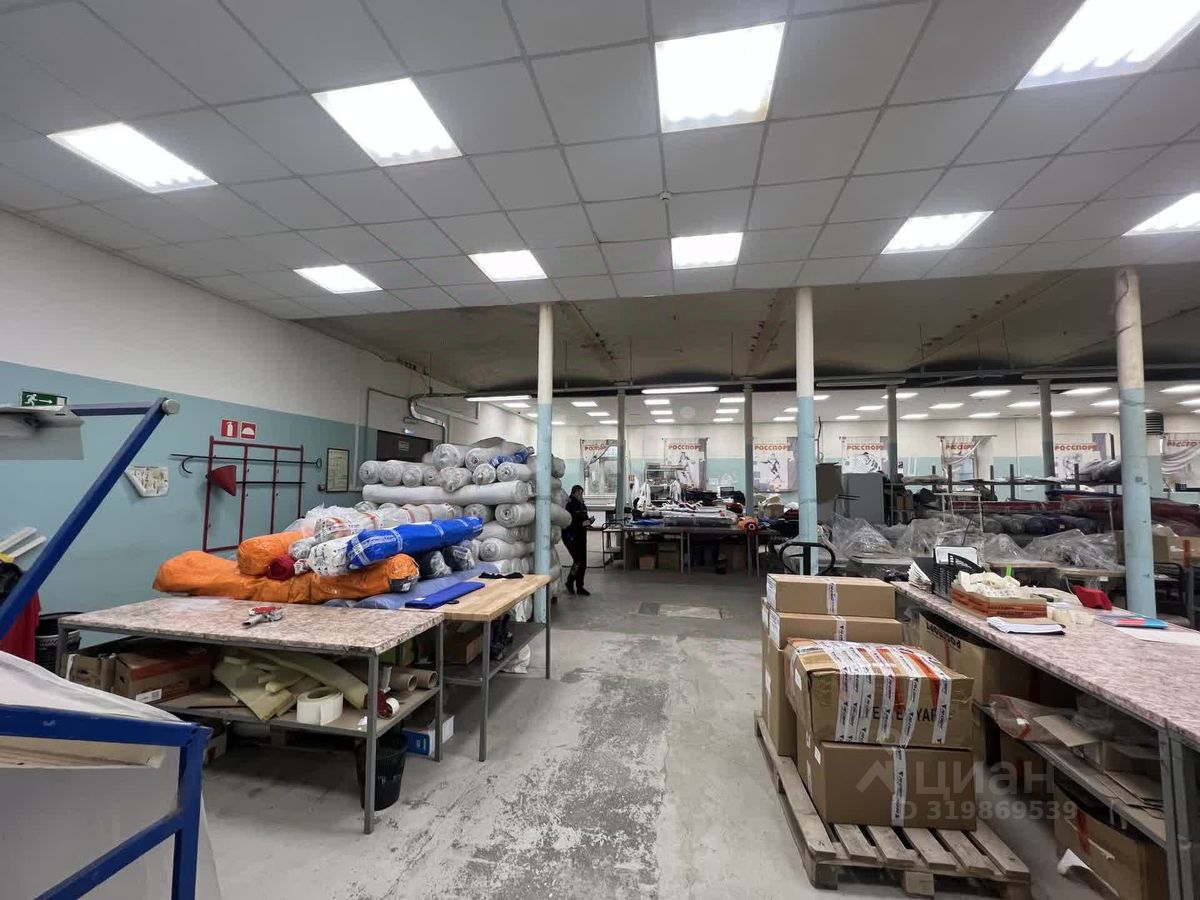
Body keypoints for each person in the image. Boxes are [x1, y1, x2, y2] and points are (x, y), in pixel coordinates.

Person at [564, 484, 594, 595]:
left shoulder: (582, 505)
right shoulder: (569, 506)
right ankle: (570, 582)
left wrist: (589, 522)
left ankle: (580, 586)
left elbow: (584, 518)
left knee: (583, 563)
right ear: (573, 493)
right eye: (579, 493)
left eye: (581, 493)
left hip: (581, 536)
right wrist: (582, 524)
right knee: (578, 562)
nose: (580, 495)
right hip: (571, 537)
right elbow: (568, 522)